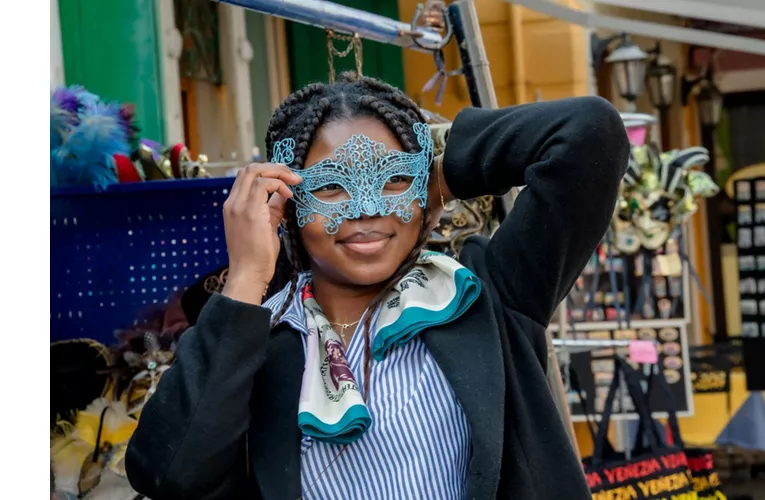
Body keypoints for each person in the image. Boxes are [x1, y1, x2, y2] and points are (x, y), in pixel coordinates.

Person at [126, 73, 629, 499]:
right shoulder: (257, 340)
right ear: (288, 199)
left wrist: (443, 171)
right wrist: (245, 278)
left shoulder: (482, 299)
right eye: (330, 185)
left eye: (392, 179)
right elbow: (169, 474)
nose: (367, 208)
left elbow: (589, 133)